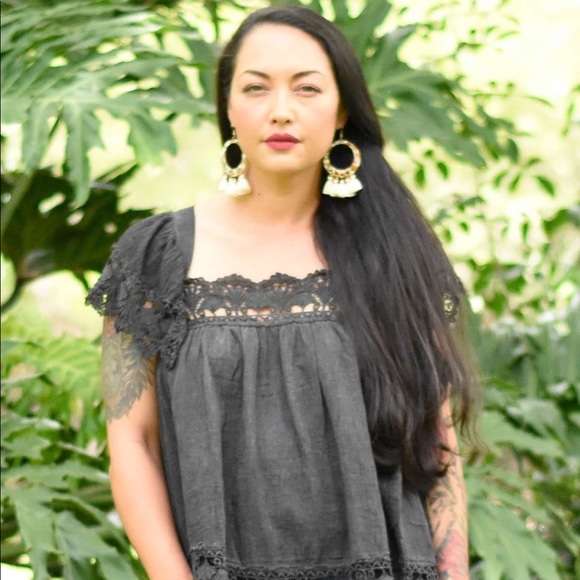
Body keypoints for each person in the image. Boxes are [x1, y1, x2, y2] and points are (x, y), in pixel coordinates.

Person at [87, 5, 476, 580]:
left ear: (342, 110)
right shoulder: (154, 256)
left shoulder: (396, 252)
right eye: (256, 87)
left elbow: (438, 448)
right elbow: (132, 446)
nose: (281, 110)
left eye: (307, 88)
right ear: (227, 107)